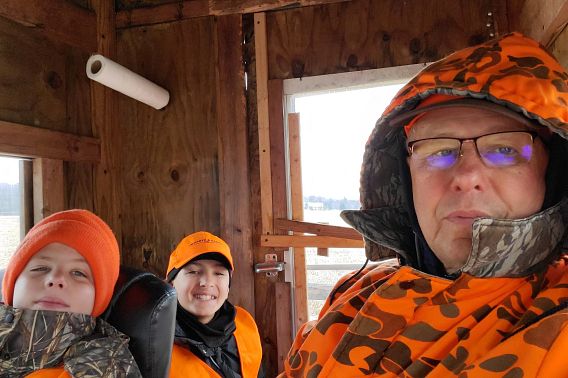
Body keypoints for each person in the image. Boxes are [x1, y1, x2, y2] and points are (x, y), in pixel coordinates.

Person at [282, 32, 568, 377]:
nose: (466, 175)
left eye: (504, 149)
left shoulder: (556, 321)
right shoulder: (351, 295)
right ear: (405, 180)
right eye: (440, 151)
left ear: (553, 173)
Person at [0, 209, 141, 377]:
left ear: (99, 298)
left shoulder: (106, 364)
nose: (56, 278)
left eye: (78, 273)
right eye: (40, 268)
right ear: (12, 283)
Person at [166, 231, 264, 378]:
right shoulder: (153, 342)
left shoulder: (244, 323)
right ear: (171, 283)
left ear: (228, 285)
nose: (206, 282)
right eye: (193, 272)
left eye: (218, 273)